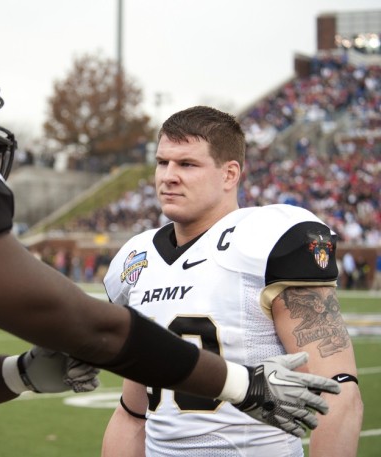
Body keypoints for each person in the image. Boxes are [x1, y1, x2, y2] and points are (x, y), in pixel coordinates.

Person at [0, 24, 339, 457]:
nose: (168, 174)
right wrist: (241, 382)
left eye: (185, 163)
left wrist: (19, 373)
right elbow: (80, 322)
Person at [101, 106, 363, 457]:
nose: (168, 176)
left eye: (187, 164)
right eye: (163, 162)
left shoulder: (267, 237)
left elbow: (338, 391)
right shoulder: (137, 258)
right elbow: (133, 412)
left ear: (229, 174)